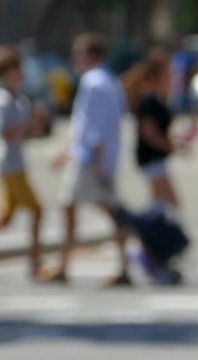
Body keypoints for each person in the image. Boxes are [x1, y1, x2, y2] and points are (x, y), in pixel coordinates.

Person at [40, 33, 129, 286]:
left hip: (90, 158)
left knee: (71, 206)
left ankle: (64, 265)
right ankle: (120, 264)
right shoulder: (110, 81)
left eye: (78, 54)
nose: (75, 60)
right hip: (98, 157)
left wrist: (91, 156)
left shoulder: (93, 82)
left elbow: (94, 127)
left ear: (91, 55)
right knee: (107, 210)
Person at [0, 46, 47, 279]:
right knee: (38, 210)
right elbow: (5, 133)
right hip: (10, 164)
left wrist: (37, 125)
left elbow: (27, 133)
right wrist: (27, 125)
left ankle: (34, 258)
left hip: (18, 162)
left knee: (6, 218)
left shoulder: (21, 99)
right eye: (15, 70)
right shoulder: (5, 100)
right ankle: (34, 259)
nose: (19, 74)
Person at [123, 49, 182, 210]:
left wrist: (174, 142)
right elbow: (148, 132)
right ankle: (146, 231)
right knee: (168, 203)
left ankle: (155, 231)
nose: (171, 75)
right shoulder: (149, 99)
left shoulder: (157, 97)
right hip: (151, 157)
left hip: (155, 157)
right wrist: (169, 146)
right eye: (168, 71)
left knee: (163, 202)